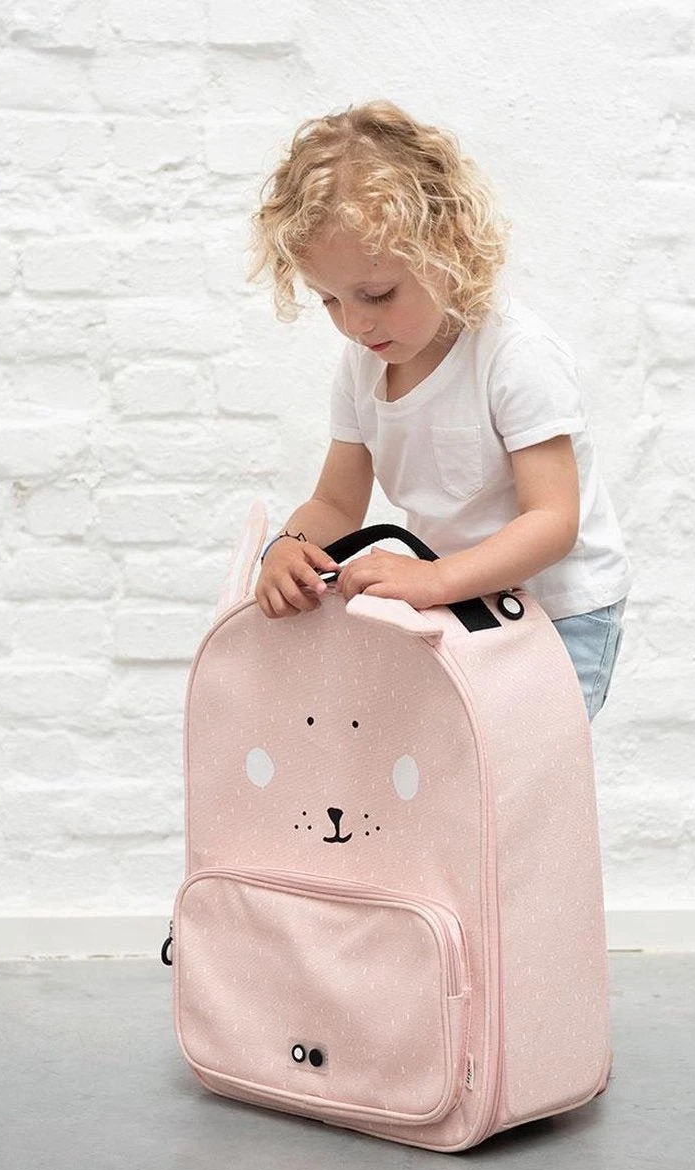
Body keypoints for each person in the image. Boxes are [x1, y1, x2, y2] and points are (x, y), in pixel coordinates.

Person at [246, 100, 632, 720]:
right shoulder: (364, 365)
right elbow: (336, 504)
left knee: (523, 768)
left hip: (558, 611)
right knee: (454, 767)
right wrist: (288, 546)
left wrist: (436, 579)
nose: (355, 323)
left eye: (377, 294)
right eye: (330, 301)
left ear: (447, 245)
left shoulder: (515, 356)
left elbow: (552, 520)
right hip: (461, 602)